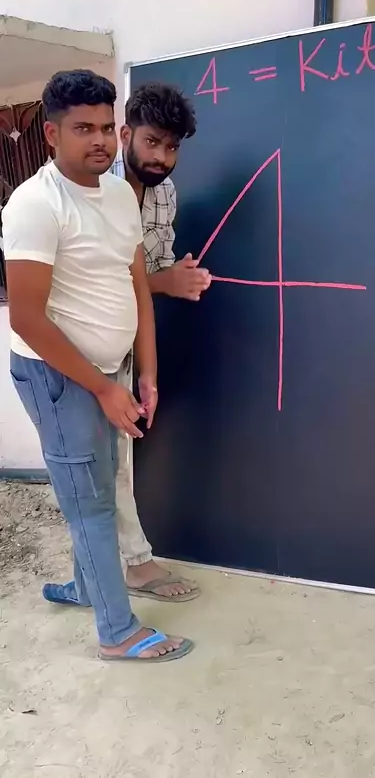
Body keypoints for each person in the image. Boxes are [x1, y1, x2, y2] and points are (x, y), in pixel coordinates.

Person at [3, 69, 193, 662]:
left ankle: (87, 588)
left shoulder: (117, 196)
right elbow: (26, 319)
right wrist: (104, 391)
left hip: (110, 371)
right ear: (52, 135)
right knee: (90, 502)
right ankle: (118, 632)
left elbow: (137, 287)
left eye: (107, 128)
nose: (101, 141)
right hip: (58, 378)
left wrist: (146, 374)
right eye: (84, 129)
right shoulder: (35, 205)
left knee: (103, 487)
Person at [109, 82, 212, 601]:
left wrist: (175, 278)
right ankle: (135, 564)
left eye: (171, 147)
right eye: (152, 142)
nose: (161, 158)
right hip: (93, 342)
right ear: (125, 134)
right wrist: (164, 282)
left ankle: (99, 571)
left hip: (134, 339)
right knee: (109, 458)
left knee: (118, 455)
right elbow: (98, 283)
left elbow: (152, 269)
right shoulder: (96, 191)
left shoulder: (165, 192)